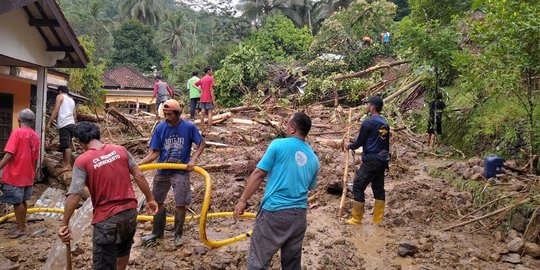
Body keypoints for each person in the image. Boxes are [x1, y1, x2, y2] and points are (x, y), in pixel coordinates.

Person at [57, 121, 158, 270]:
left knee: (104, 264)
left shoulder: (82, 161)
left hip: (107, 220)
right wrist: (150, 199)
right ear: (98, 135)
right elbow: (139, 174)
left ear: (80, 142)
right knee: (123, 252)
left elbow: (75, 194)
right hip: (129, 214)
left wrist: (64, 223)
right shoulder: (120, 150)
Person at [234, 112, 319, 270]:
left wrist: (242, 201)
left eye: (288, 125)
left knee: (258, 261)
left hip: (275, 212)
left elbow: (259, 173)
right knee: (292, 264)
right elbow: (308, 186)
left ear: (293, 128)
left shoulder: (278, 144)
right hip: (299, 216)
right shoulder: (314, 158)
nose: (286, 128)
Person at [139, 99, 206, 247]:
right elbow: (154, 152)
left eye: (170, 114)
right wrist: (138, 165)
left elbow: (201, 143)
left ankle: (178, 235)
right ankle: (157, 233)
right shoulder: (160, 128)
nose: (166, 117)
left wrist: (193, 159)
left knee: (180, 203)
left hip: (181, 171)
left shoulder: (188, 127)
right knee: (157, 201)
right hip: (163, 170)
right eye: (165, 114)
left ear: (178, 113)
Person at [346, 96, 390, 225]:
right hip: (382, 160)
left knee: (358, 186)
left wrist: (350, 146)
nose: (366, 107)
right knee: (378, 189)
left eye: (368, 105)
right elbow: (377, 140)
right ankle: (378, 220)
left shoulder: (368, 122)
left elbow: (361, 141)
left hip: (371, 159)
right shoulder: (385, 123)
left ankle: (356, 219)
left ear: (372, 107)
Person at [0, 109, 40, 238]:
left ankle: (21, 228)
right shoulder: (35, 136)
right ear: (32, 122)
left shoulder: (17, 133)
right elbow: (35, 158)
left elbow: (9, 154)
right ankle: (22, 225)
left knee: (17, 203)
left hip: (15, 174)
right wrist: (33, 173)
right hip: (28, 174)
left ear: (18, 121)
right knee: (23, 201)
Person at [46, 85, 76, 170]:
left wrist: (49, 122)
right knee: (65, 143)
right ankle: (64, 162)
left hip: (64, 123)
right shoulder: (72, 100)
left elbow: (56, 110)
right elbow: (75, 114)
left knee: (66, 145)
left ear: (59, 91)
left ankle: (67, 165)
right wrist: (74, 124)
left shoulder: (60, 96)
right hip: (71, 123)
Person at [194, 67, 215, 132]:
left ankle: (202, 128)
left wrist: (200, 89)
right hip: (208, 98)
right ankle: (209, 128)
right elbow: (211, 90)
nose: (212, 72)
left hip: (202, 98)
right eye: (211, 70)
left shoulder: (202, 79)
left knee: (202, 113)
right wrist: (213, 100)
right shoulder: (211, 78)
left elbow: (194, 85)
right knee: (209, 113)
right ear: (208, 71)